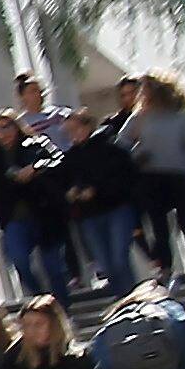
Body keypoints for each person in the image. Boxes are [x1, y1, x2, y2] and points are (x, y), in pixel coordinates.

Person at [122, 73, 185, 277]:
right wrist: (136, 156)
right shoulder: (139, 118)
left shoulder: (180, 117)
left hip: (179, 176)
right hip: (151, 178)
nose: (142, 93)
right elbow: (121, 145)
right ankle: (166, 268)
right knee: (159, 226)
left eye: (145, 89)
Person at [0, 110, 70, 306]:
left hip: (44, 213)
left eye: (7, 127)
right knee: (19, 260)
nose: (3, 133)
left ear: (16, 126)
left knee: (53, 266)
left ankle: (62, 307)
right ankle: (41, 300)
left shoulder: (37, 144)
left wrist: (36, 168)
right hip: (14, 217)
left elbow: (60, 161)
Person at [59, 95, 144, 297]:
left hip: (117, 210)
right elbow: (64, 183)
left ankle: (134, 298)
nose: (72, 135)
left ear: (87, 126)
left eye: (75, 129)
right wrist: (71, 193)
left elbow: (126, 177)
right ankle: (121, 299)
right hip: (89, 216)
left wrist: (97, 190)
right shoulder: (70, 158)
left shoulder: (111, 148)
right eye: (68, 132)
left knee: (119, 258)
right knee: (105, 263)